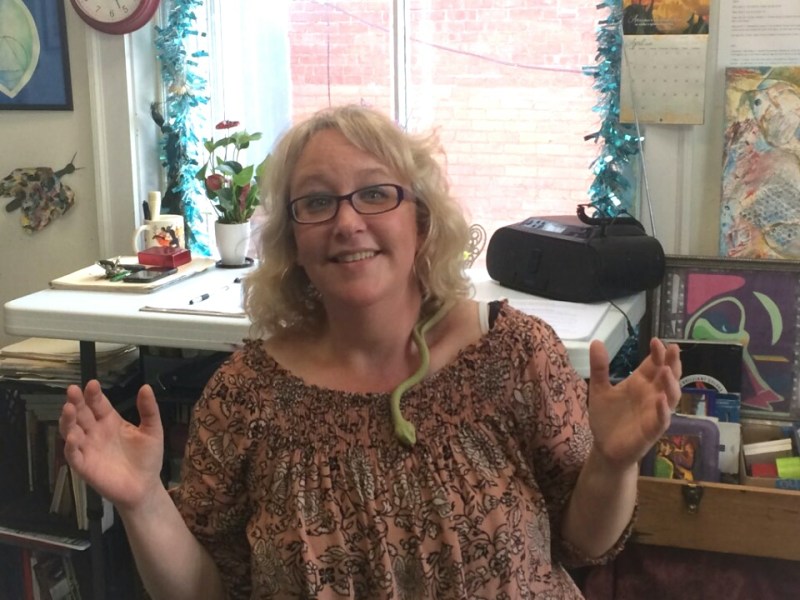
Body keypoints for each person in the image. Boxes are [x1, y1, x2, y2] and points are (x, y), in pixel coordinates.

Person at [60, 104, 681, 599]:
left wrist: (613, 461)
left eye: (375, 193)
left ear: (421, 220)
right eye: (317, 202)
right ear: (293, 241)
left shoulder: (515, 354)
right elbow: (206, 590)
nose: (347, 222)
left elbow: (584, 545)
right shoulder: (245, 394)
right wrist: (143, 501)